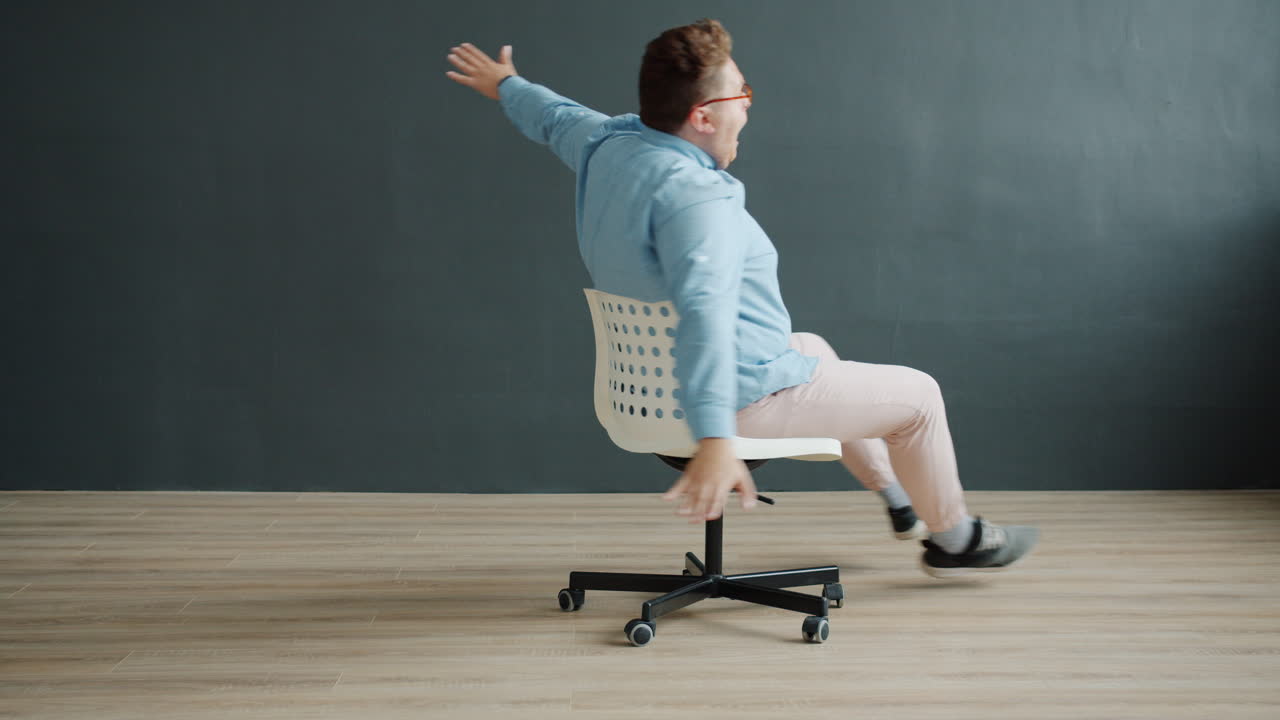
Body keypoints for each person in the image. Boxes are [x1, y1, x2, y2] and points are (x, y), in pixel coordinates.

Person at [446, 19, 1038, 577]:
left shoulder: (610, 144)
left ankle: (897, 498)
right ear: (703, 115)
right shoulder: (698, 197)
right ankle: (956, 541)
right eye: (740, 94)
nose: (748, 104)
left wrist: (507, 84)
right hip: (733, 402)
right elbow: (705, 314)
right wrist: (715, 439)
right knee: (921, 398)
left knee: (812, 348)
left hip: (650, 393)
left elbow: (555, 117)